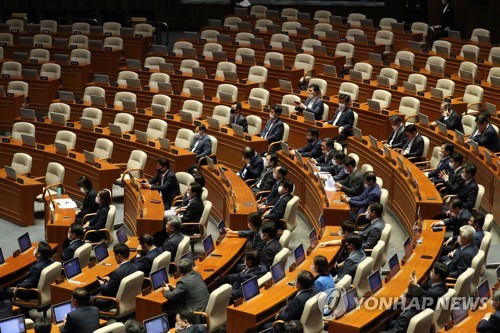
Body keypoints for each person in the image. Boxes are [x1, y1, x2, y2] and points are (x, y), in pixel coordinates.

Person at [95, 243, 138, 311]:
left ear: (119, 256)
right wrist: (111, 279)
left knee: (90, 298)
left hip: (114, 302)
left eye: (114, 255)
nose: (114, 257)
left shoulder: (117, 273)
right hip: (130, 298)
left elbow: (108, 290)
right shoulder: (135, 267)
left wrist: (102, 284)